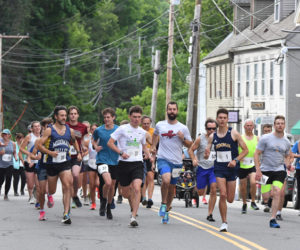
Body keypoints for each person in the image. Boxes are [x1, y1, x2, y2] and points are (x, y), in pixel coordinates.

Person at [205, 108, 248, 232]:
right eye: (220, 118)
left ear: (228, 119)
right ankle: (224, 222)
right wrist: (206, 154)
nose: (222, 120)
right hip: (219, 168)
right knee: (222, 194)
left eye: (225, 118)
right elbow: (207, 152)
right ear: (217, 119)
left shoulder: (233, 133)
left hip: (232, 169)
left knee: (230, 198)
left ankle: (224, 218)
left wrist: (235, 160)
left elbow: (245, 150)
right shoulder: (212, 136)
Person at [107, 105, 151, 227]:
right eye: (134, 117)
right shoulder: (122, 129)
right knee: (125, 192)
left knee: (137, 188)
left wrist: (148, 155)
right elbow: (110, 143)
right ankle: (131, 202)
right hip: (124, 163)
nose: (136, 119)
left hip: (137, 163)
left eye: (139, 117)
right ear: (129, 117)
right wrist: (121, 152)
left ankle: (133, 216)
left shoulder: (142, 132)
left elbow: (144, 145)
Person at [38, 105, 81, 224]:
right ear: (56, 116)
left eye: (65, 115)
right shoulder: (49, 130)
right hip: (51, 164)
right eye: (61, 115)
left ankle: (66, 213)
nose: (64, 117)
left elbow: (74, 141)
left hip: (65, 162)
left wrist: (78, 152)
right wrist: (50, 152)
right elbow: (39, 145)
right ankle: (49, 195)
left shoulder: (70, 130)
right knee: (51, 190)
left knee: (67, 185)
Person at [151, 101, 193, 224]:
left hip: (177, 162)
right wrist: (153, 146)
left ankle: (167, 211)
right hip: (163, 158)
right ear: (167, 111)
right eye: (170, 109)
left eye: (174, 109)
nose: (172, 111)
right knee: (166, 180)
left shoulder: (183, 128)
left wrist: (182, 138)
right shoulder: (160, 125)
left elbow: (190, 144)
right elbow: (155, 135)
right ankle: (163, 204)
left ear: (177, 111)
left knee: (172, 188)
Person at [254, 115, 292, 228]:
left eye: (282, 123)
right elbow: (256, 153)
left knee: (277, 191)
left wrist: (288, 164)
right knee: (266, 197)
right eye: (278, 123)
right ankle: (269, 201)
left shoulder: (286, 142)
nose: (280, 125)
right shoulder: (265, 138)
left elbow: (287, 155)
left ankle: (273, 218)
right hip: (265, 170)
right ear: (274, 125)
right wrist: (258, 170)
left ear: (284, 125)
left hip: (279, 170)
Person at [189, 118, 218, 222]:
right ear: (206, 129)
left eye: (214, 128)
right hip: (202, 167)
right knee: (201, 192)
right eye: (209, 128)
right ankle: (195, 191)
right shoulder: (200, 139)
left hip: (214, 168)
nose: (211, 131)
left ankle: (210, 213)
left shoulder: (219, 138)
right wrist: (194, 159)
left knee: (214, 188)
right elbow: (191, 150)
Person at [93, 108, 119, 219]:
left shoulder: (119, 129)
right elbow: (93, 140)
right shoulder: (99, 130)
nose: (106, 119)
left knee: (112, 185)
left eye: (108, 117)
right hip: (102, 160)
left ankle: (108, 205)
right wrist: (95, 147)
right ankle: (103, 201)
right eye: (105, 117)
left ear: (113, 117)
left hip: (115, 161)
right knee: (107, 183)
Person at [31, 117, 54, 221]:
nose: (50, 128)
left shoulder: (56, 137)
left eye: (51, 125)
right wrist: (35, 157)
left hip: (53, 166)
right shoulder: (39, 140)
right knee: (41, 191)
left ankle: (50, 195)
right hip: (42, 167)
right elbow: (32, 154)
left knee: (50, 189)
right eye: (48, 126)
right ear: (44, 128)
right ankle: (42, 211)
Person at [67, 106, 88, 208]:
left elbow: (83, 139)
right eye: (71, 114)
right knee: (68, 180)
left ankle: (74, 195)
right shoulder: (65, 125)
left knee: (75, 175)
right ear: (68, 115)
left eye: (75, 113)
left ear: (78, 115)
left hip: (77, 155)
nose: (73, 115)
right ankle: (68, 199)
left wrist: (83, 147)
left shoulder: (83, 127)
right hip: (65, 156)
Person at [238, 119, 260, 214]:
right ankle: (244, 203)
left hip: (253, 163)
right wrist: (239, 157)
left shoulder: (257, 138)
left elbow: (260, 151)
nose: (249, 127)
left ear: (253, 127)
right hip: (242, 164)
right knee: (243, 185)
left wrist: (259, 161)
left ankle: (253, 201)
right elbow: (235, 149)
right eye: (247, 125)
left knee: (253, 182)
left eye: (251, 125)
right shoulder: (240, 138)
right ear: (244, 127)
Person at [19, 121, 41, 205]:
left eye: (38, 126)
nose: (37, 128)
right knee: (30, 183)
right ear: (32, 128)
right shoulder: (29, 137)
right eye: (35, 126)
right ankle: (31, 196)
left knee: (38, 184)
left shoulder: (43, 136)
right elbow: (21, 149)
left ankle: (37, 199)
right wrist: (29, 153)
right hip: (29, 161)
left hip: (39, 163)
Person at [141, 115, 155, 208]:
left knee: (150, 177)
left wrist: (153, 158)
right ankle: (144, 198)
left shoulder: (153, 132)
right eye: (144, 123)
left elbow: (155, 147)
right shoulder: (139, 131)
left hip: (150, 157)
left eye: (148, 123)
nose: (146, 125)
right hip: (140, 156)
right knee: (143, 179)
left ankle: (150, 199)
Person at [0, 129, 17, 200]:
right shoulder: (0, 142)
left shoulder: (13, 143)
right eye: (4, 134)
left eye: (7, 134)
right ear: (2, 135)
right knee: (1, 179)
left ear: (9, 135)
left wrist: (16, 157)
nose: (5, 135)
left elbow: (14, 152)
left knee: (9, 179)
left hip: (10, 164)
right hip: (1, 164)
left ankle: (6, 194)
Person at [86, 123, 98, 210]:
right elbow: (84, 149)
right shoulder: (88, 140)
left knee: (98, 183)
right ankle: (93, 203)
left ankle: (100, 191)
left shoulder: (101, 139)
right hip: (90, 163)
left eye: (95, 129)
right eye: (92, 129)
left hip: (100, 162)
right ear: (90, 131)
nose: (94, 131)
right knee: (92, 185)